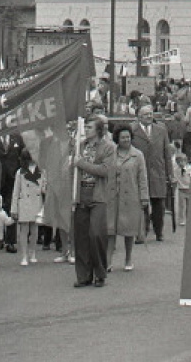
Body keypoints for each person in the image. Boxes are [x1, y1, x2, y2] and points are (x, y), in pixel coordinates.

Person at [72, 116, 114, 288]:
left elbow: (105, 170)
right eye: (85, 127)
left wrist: (81, 164)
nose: (86, 130)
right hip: (81, 194)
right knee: (81, 236)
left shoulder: (108, 148)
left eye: (89, 127)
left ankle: (100, 272)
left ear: (98, 130)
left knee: (96, 234)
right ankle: (83, 275)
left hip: (98, 195)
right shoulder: (79, 146)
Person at [105, 127, 148, 272]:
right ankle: (108, 261)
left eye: (128, 137)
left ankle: (128, 259)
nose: (126, 140)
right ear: (118, 138)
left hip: (131, 198)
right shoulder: (111, 154)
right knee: (110, 230)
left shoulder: (138, 155)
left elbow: (142, 178)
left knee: (129, 230)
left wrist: (144, 198)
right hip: (113, 198)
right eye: (123, 137)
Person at [130, 105, 175, 242]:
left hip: (158, 172)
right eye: (145, 114)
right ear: (139, 117)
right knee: (141, 204)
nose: (149, 116)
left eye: (150, 114)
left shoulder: (161, 130)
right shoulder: (133, 130)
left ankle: (159, 231)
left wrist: (170, 174)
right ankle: (142, 232)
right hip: (140, 173)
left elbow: (167, 154)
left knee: (159, 204)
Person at [0, 131, 24, 256]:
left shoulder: (17, 137)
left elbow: (21, 156)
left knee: (12, 206)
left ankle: (11, 241)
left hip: (12, 177)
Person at [10, 148, 46, 267]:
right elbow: (16, 191)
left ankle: (33, 253)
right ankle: (24, 255)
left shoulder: (42, 171)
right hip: (24, 202)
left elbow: (44, 189)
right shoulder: (20, 172)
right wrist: (13, 209)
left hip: (37, 201)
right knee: (23, 230)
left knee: (35, 230)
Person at [173, 151, 191, 226]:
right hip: (181, 189)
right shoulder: (176, 170)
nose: (181, 163)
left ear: (186, 161)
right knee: (181, 206)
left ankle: (189, 218)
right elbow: (175, 178)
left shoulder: (190, 168)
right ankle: (181, 220)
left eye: (182, 161)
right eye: (178, 162)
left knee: (189, 206)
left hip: (189, 189)